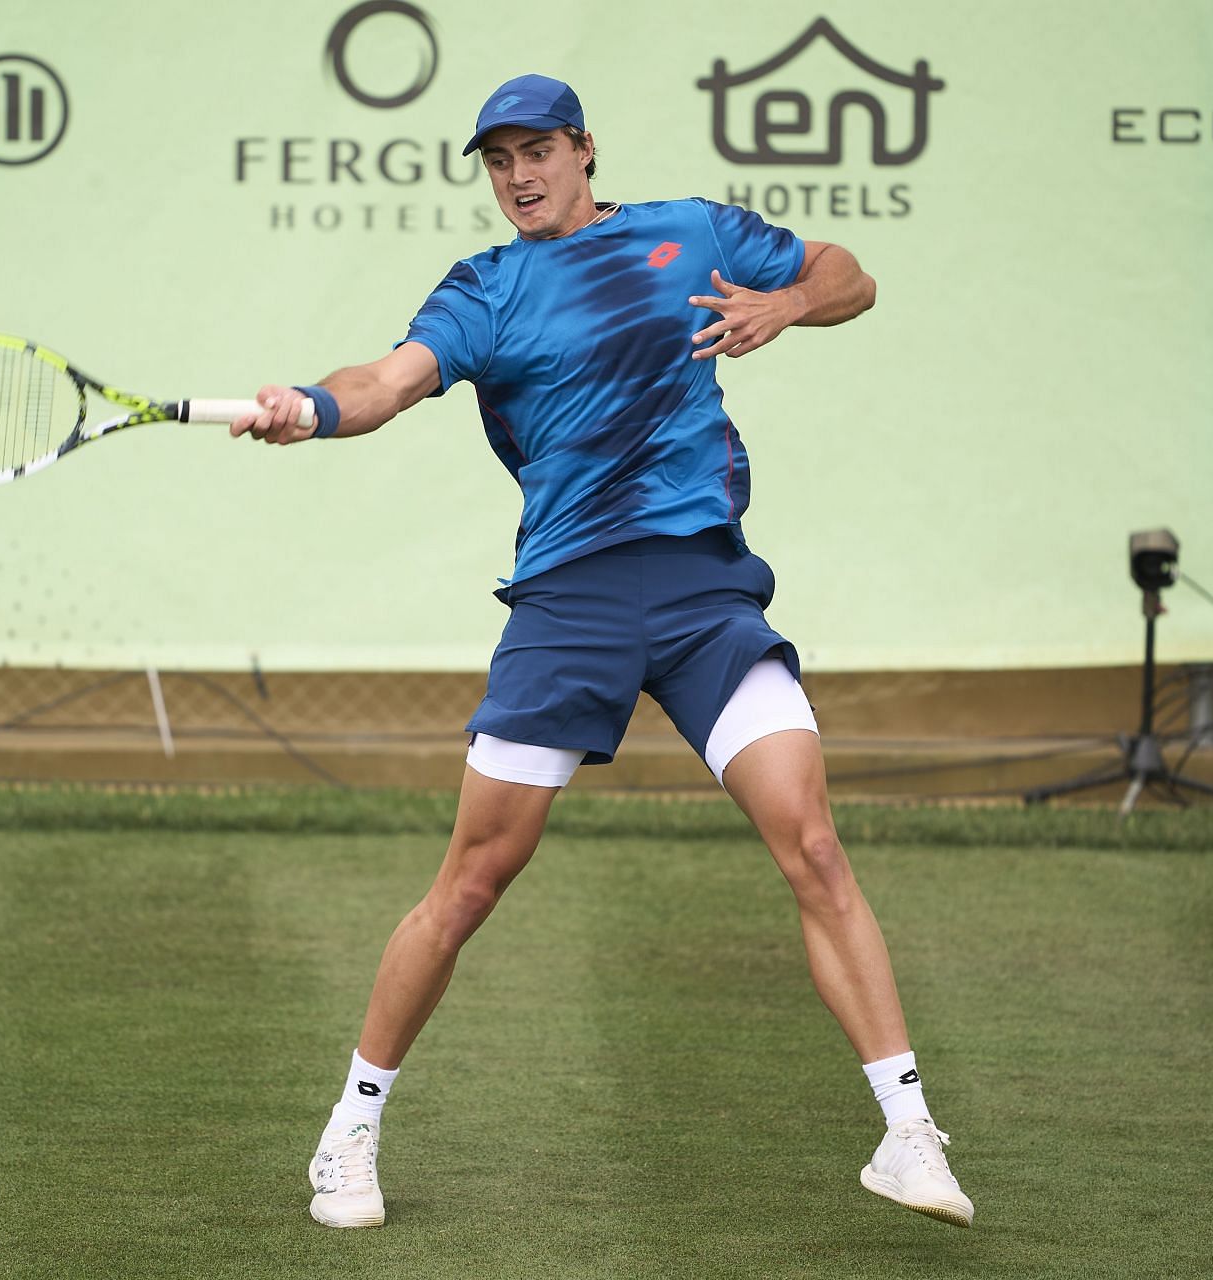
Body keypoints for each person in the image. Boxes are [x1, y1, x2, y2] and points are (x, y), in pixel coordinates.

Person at [232, 73, 974, 1232]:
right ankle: (350, 1129)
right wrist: (310, 408)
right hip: (569, 601)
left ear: (585, 150)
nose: (518, 176)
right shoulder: (485, 289)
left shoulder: (694, 233)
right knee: (471, 882)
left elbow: (849, 274)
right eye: (497, 160)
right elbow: (383, 383)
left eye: (537, 151)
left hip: (701, 587)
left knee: (815, 843)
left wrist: (786, 308)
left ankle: (908, 1129)